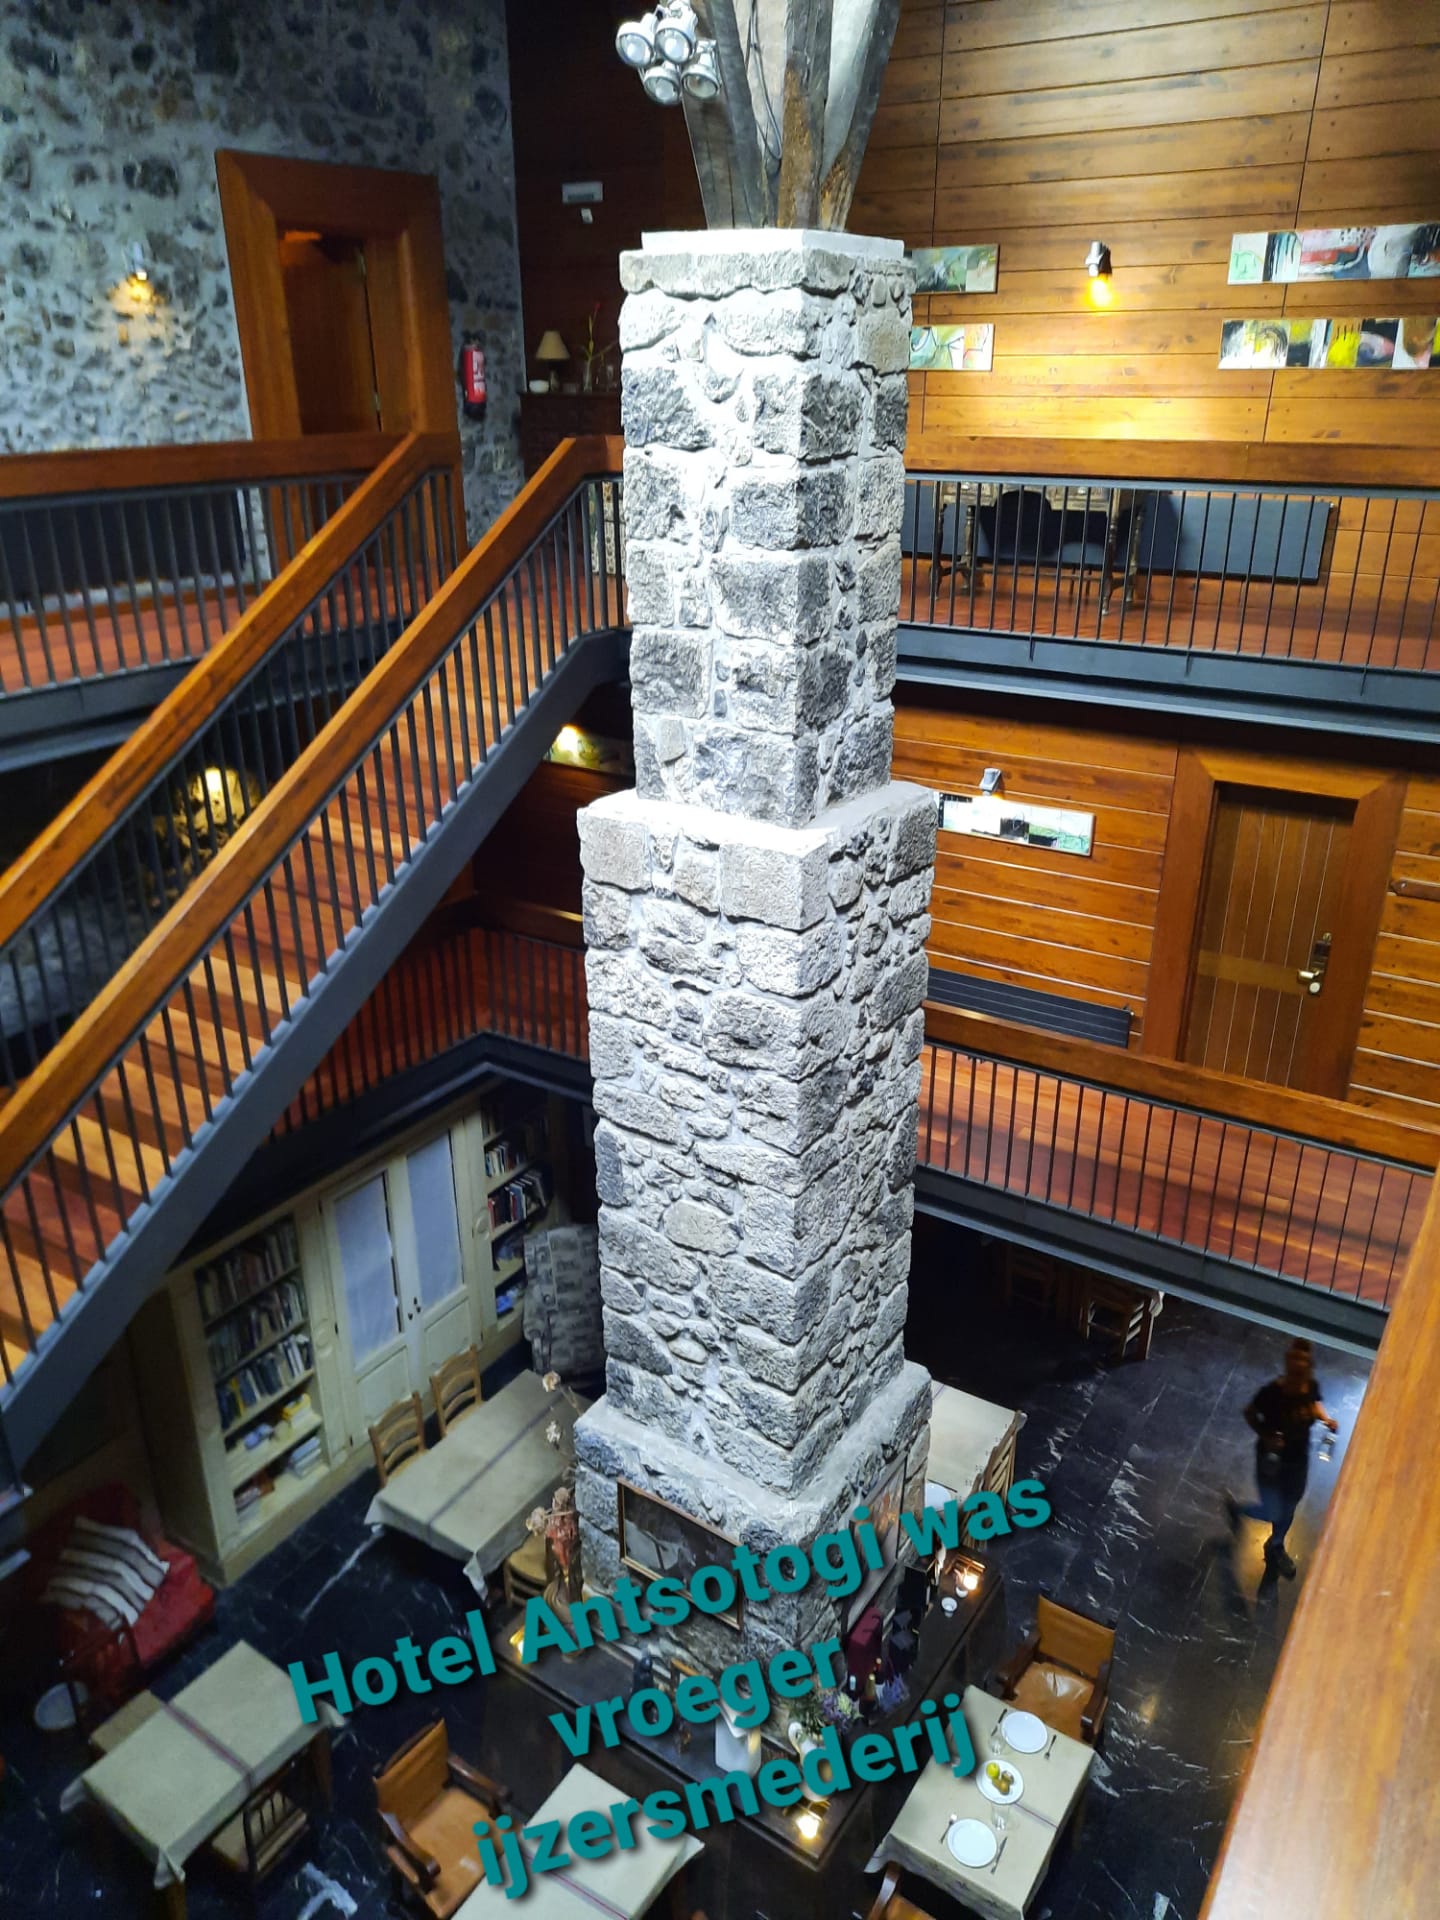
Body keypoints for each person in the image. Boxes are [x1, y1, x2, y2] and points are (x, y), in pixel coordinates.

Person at [1224, 1339, 1338, 1578]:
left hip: (1298, 1461)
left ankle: (1276, 1545)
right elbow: (1249, 1413)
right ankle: (1239, 1510)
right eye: (1294, 1373)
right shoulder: (1272, 1394)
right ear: (1288, 1368)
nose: (1299, 1380)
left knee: (1289, 1506)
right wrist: (1266, 1436)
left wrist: (1326, 1419)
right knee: (1273, 1512)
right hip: (1271, 1461)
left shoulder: (1310, 1386)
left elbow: (1315, 1403)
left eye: (1303, 1373)